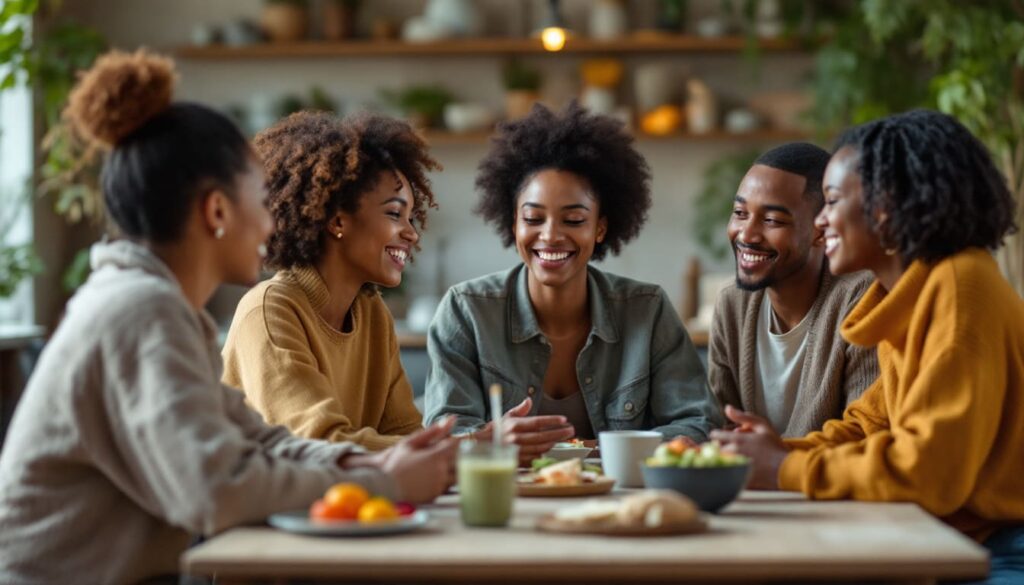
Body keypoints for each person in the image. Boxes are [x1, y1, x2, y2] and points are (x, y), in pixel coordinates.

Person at [0, 50, 455, 584]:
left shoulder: (161, 308)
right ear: (217, 211)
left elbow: (260, 440)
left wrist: (374, 468)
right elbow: (214, 490)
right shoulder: (139, 311)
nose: (274, 220)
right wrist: (389, 485)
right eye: (260, 199)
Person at [712, 110, 1024, 584]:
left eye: (832, 201)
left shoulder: (959, 291)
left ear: (884, 208)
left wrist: (787, 469)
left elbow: (928, 475)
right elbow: (871, 425)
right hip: (949, 539)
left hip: (997, 549)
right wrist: (777, 451)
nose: (820, 221)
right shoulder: (917, 293)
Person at [423, 102, 723, 462]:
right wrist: (490, 440)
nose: (550, 236)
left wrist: (598, 450)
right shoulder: (466, 311)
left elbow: (696, 423)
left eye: (574, 220)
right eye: (533, 218)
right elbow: (445, 434)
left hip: (618, 502)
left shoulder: (648, 310)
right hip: (507, 498)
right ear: (513, 222)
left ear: (600, 228)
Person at [222, 111, 439, 450]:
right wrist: (464, 449)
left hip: (346, 498)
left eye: (411, 216)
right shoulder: (270, 312)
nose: (411, 233)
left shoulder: (372, 315)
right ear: (338, 220)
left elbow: (404, 433)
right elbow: (318, 443)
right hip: (273, 503)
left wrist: (472, 446)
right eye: (395, 214)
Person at [709, 142, 878, 437]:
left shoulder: (861, 299)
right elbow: (720, 426)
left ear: (821, 230)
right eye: (740, 212)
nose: (746, 234)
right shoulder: (732, 305)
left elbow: (862, 436)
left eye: (772, 220)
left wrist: (778, 455)